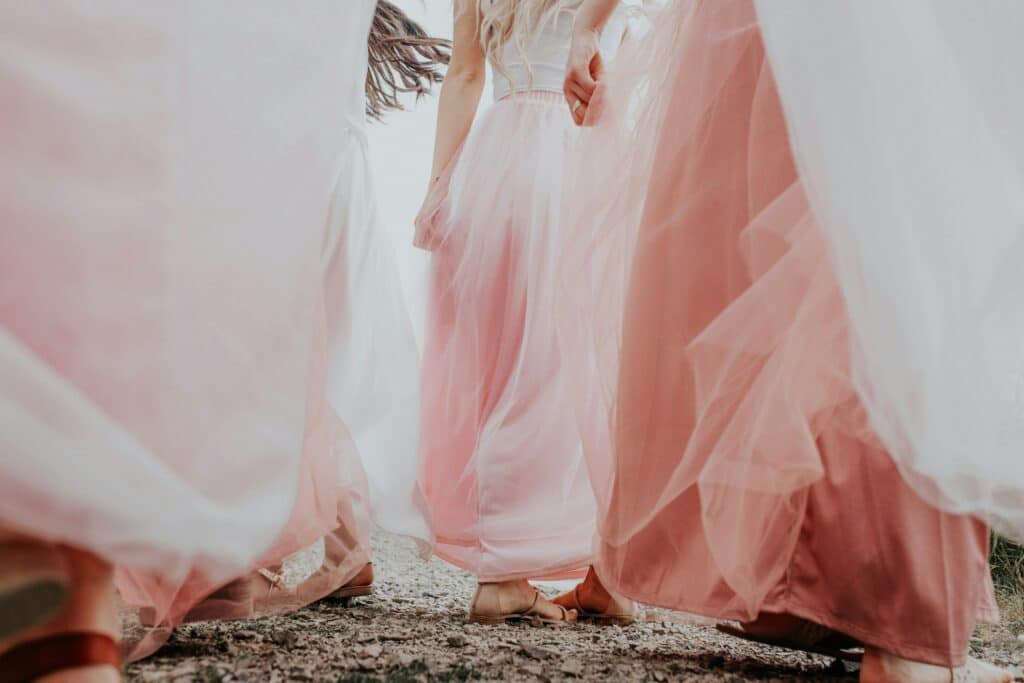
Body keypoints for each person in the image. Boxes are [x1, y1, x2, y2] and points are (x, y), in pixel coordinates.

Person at [558, 0, 1015, 681]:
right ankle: (904, 631)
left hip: (744, 24)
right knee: (898, 237)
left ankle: (803, 586)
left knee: (769, 248)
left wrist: (590, 20)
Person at [0, 1, 441, 677]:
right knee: (287, 360)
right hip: (286, 156)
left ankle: (67, 572)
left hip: (271, 150)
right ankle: (82, 578)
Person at [414, 0, 634, 625]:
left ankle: (597, 575)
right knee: (586, 367)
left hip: (496, 162)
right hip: (578, 153)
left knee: (508, 364)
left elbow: (463, 76)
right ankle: (515, 576)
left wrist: (436, 193)